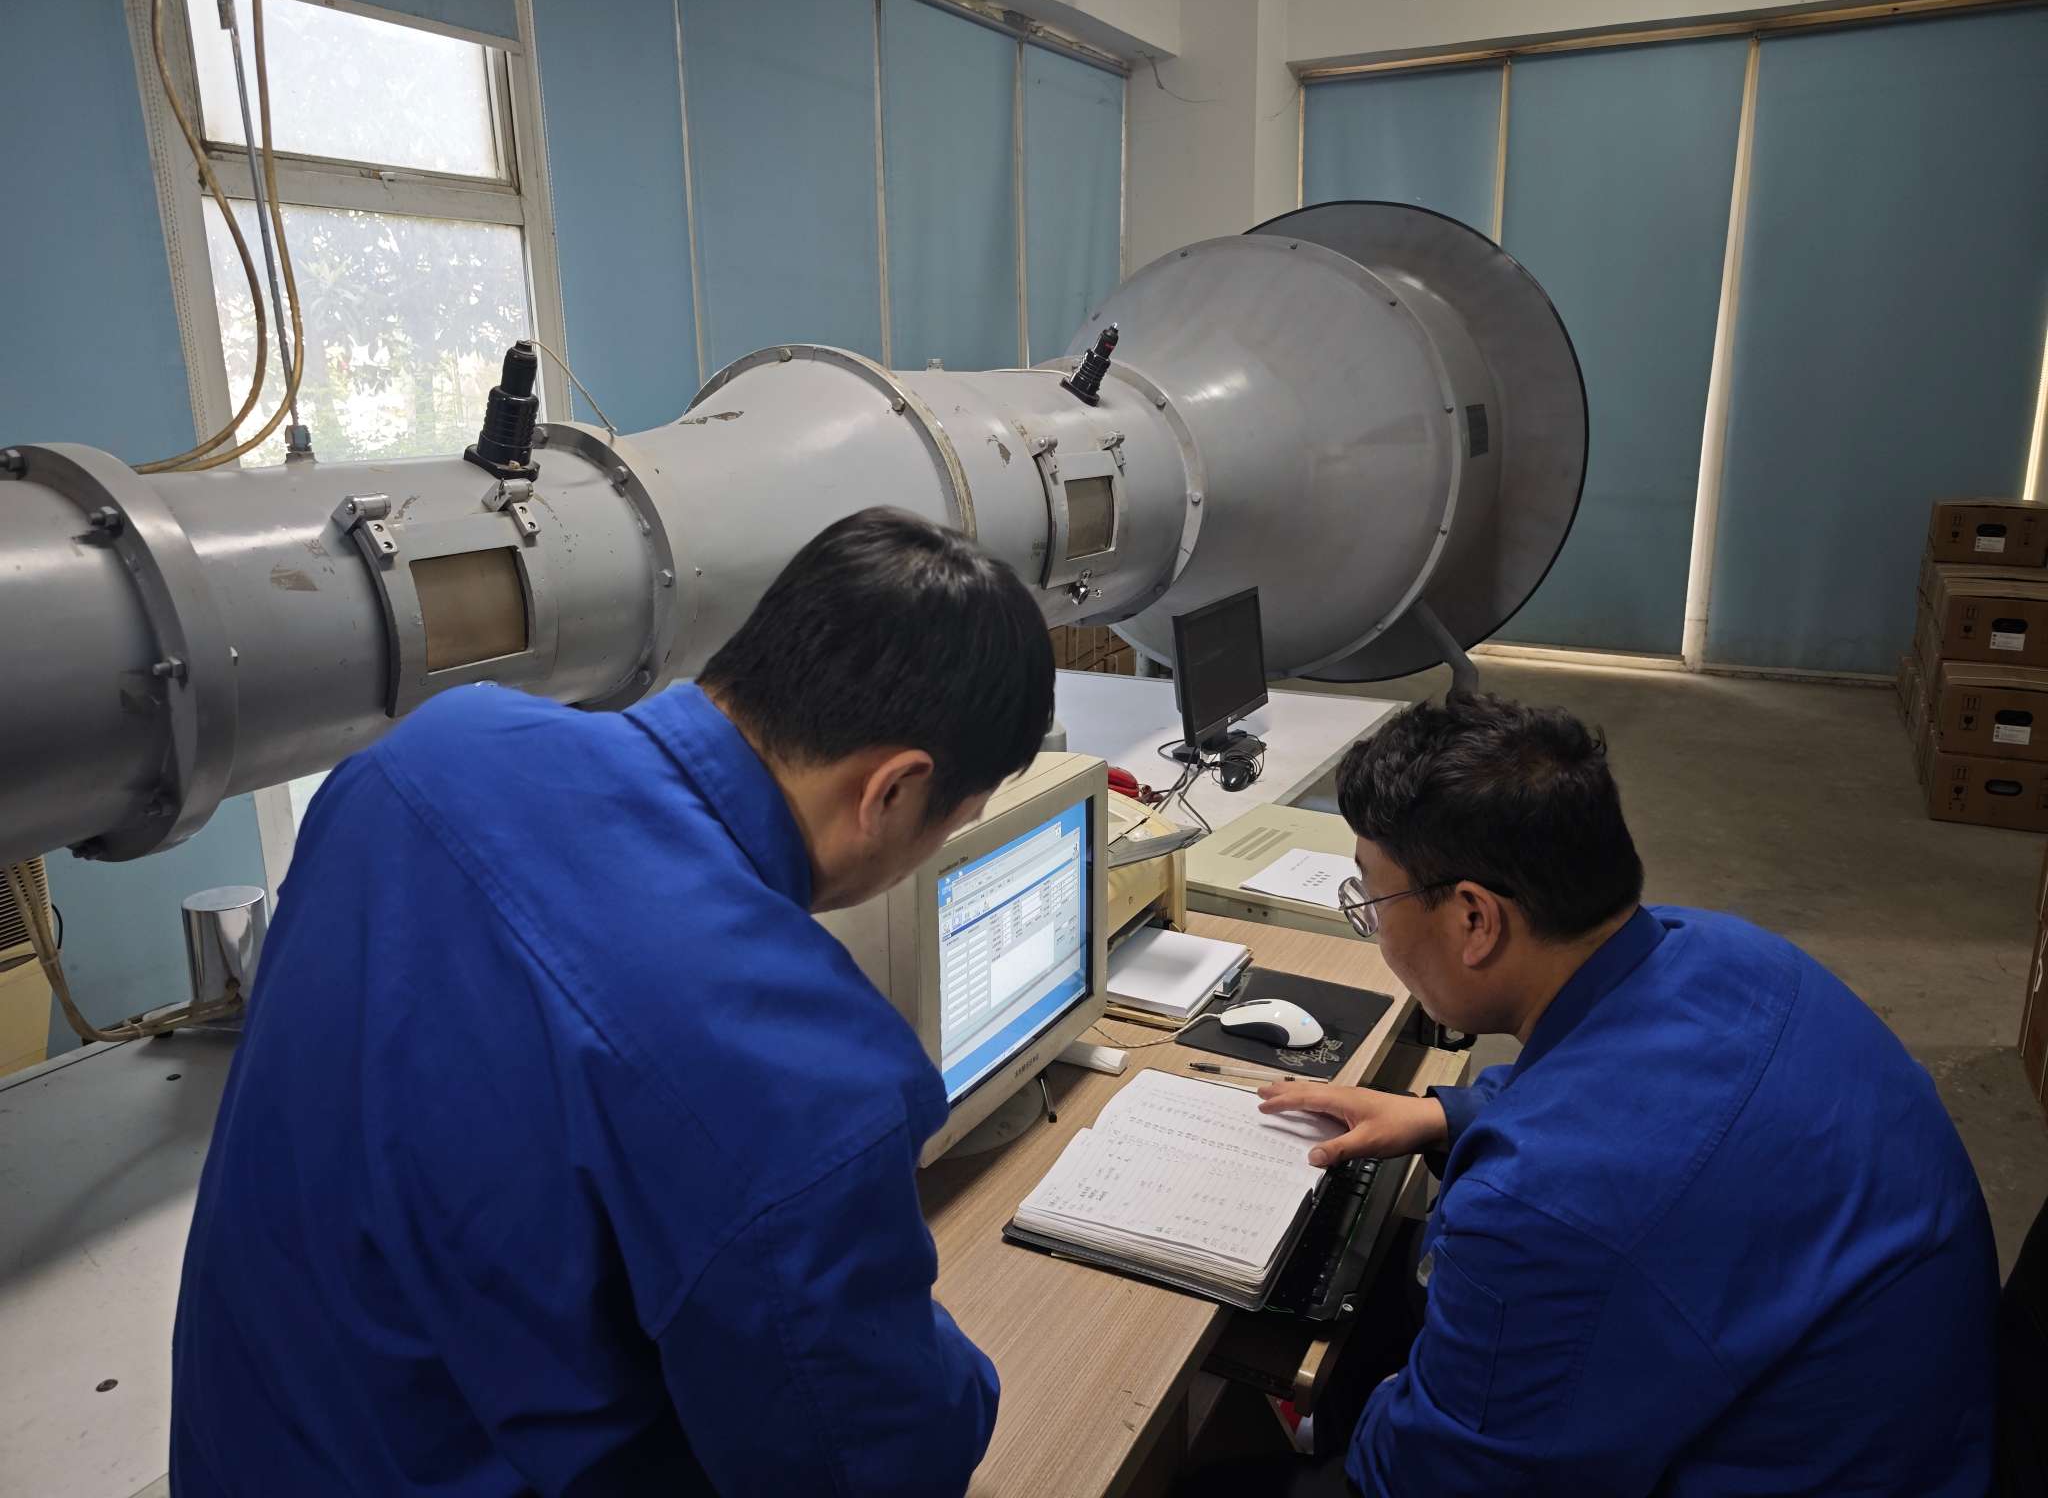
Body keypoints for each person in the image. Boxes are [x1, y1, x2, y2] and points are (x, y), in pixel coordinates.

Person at [172, 508, 1055, 1496]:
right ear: (891, 791)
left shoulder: (422, 755)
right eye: (950, 825)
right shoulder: (802, 1071)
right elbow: (874, 1465)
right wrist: (945, 1365)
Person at [1256, 692, 1998, 1496]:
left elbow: (1432, 1478)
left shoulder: (1539, 1208)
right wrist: (1446, 1113)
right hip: (1910, 1431)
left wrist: (1360, 1410)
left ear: (1475, 919)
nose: (1375, 929)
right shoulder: (1733, 951)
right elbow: (1625, 1094)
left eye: (1372, 901)